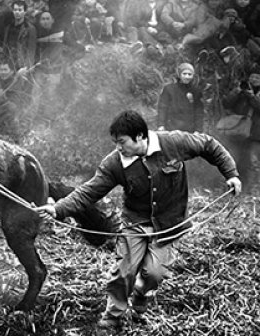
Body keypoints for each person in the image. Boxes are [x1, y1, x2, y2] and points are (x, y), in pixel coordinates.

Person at [35, 110, 241, 331]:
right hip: (134, 222)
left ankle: (141, 297)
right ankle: (113, 315)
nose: (118, 148)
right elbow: (89, 191)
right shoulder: (114, 163)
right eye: (115, 143)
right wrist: (58, 208)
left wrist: (231, 174)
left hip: (169, 224)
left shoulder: (174, 142)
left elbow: (209, 145)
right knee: (124, 272)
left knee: (155, 273)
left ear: (140, 136)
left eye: (122, 142)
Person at [157, 63, 204, 132]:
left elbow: (198, 112)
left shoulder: (196, 91)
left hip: (190, 130)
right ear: (179, 75)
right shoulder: (169, 89)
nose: (187, 77)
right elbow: (163, 107)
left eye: (189, 74)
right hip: (171, 128)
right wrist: (161, 125)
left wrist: (198, 130)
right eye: (184, 74)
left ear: (193, 76)